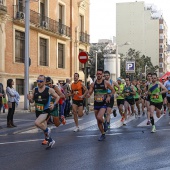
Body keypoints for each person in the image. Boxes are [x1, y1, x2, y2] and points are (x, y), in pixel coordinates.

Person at [27, 75, 60, 149]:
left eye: (41, 81)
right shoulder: (35, 89)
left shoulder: (49, 89)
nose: (39, 83)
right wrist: (30, 99)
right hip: (38, 111)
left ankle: (48, 130)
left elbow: (58, 97)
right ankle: (51, 140)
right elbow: (32, 101)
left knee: (37, 123)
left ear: (44, 82)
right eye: (38, 81)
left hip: (45, 111)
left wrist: (53, 105)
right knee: (44, 128)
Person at [87, 68, 114, 141]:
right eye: (97, 74)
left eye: (100, 74)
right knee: (98, 121)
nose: (98, 75)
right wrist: (88, 94)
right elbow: (90, 91)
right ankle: (103, 134)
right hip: (96, 104)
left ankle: (105, 123)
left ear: (102, 75)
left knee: (99, 117)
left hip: (103, 104)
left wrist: (109, 96)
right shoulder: (93, 84)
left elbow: (112, 90)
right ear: (96, 75)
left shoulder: (106, 83)